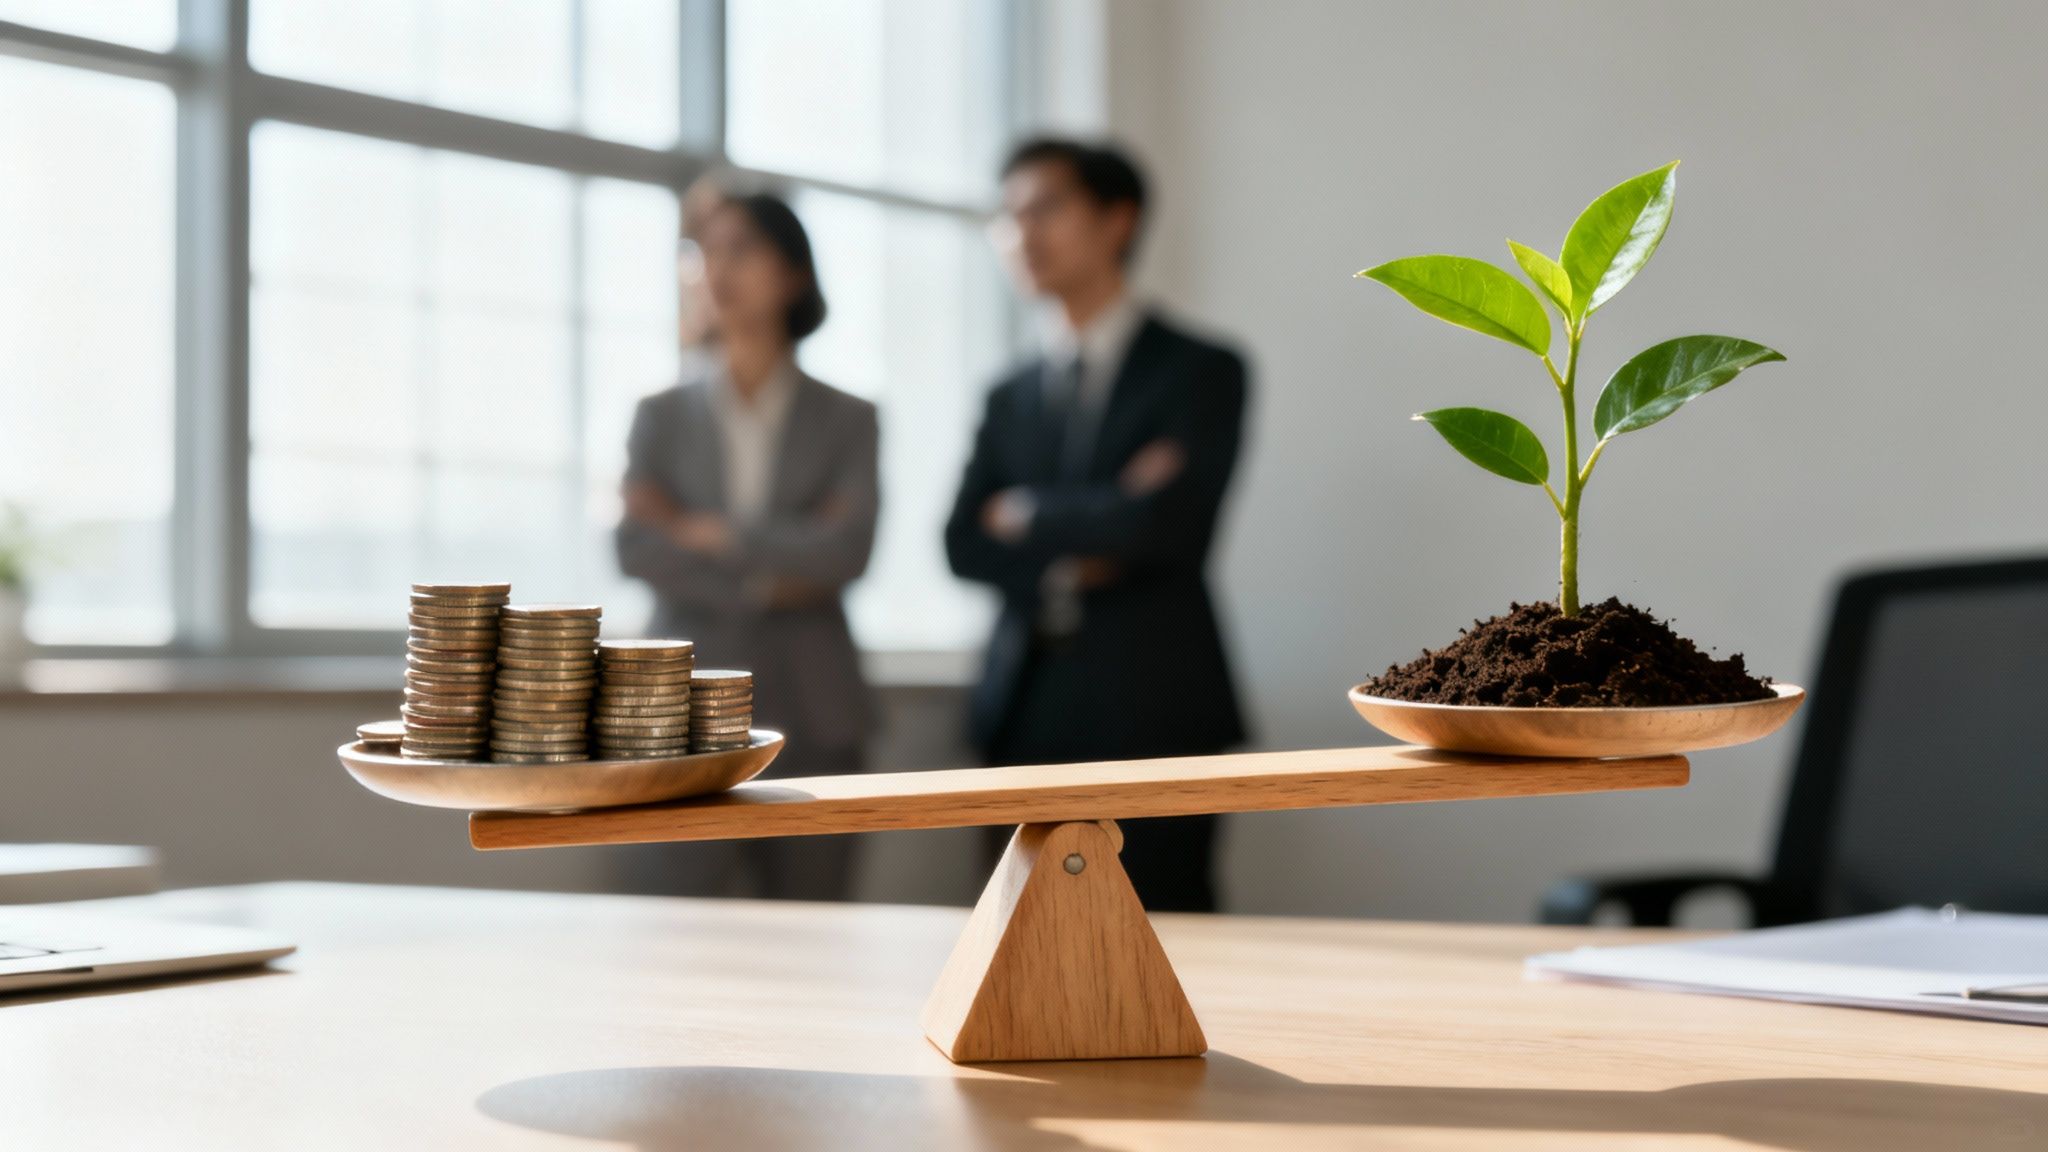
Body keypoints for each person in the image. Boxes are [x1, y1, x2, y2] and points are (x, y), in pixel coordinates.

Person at [945, 138, 1251, 912]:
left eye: (1046, 208)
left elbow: (1170, 529)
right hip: (1024, 699)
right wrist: (1097, 524)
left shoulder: (1203, 369)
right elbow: (962, 543)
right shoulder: (1007, 392)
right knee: (1017, 941)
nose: (1023, 234)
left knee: (1171, 931)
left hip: (1159, 702)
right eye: (1008, 216)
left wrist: (1028, 512)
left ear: (1119, 219)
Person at [616, 188, 879, 901]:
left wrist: (711, 530)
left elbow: (845, 553)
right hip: (679, 711)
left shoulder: (849, 419)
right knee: (675, 930)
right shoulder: (659, 416)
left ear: (793, 273)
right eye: (703, 252)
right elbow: (636, 548)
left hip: (814, 704)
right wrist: (773, 573)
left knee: (818, 928)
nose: (716, 268)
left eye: (742, 248)